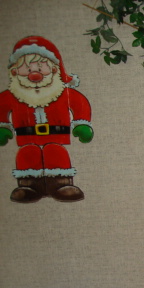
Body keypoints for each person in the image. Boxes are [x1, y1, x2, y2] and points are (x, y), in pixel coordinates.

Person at [0, 36, 93, 202]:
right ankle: (29, 186)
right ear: (14, 71)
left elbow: (80, 104)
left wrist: (81, 123)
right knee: (27, 153)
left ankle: (60, 184)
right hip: (26, 135)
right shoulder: (13, 95)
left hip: (57, 134)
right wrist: (3, 127)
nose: (34, 74)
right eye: (27, 69)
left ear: (55, 69)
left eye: (40, 68)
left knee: (55, 151)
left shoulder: (62, 93)